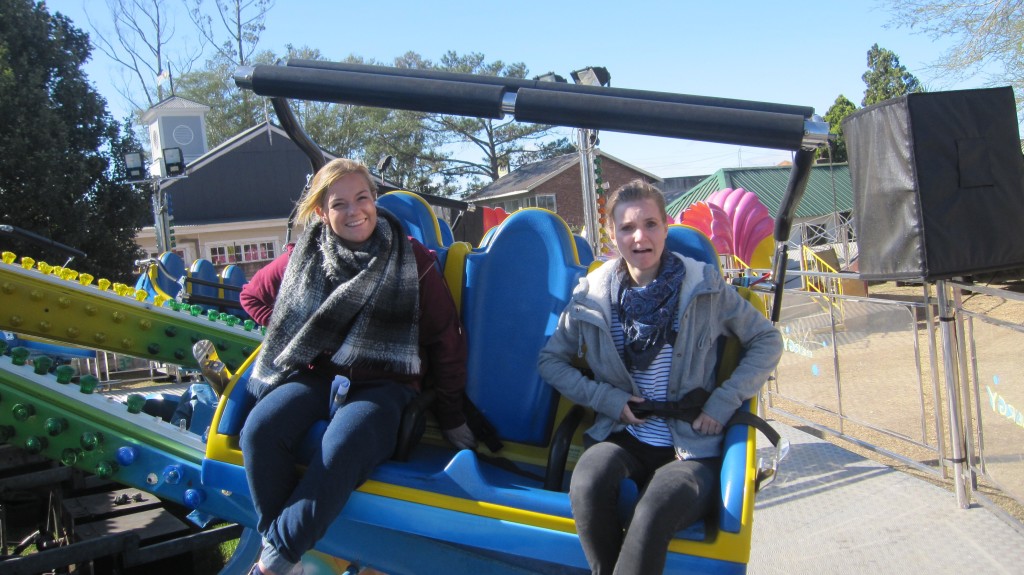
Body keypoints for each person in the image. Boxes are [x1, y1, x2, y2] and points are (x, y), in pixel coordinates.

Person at [238, 158, 475, 575]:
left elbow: (446, 338)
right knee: (259, 430)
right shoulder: (303, 257)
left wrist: (452, 414)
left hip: (385, 383)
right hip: (318, 377)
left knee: (340, 450)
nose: (354, 212)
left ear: (375, 199)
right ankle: (291, 552)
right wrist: (299, 331)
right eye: (339, 204)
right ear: (321, 213)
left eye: (362, 198)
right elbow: (252, 296)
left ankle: (272, 564)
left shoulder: (411, 258)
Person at [537, 179, 782, 575]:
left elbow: (767, 340)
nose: (640, 237)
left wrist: (723, 401)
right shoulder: (591, 297)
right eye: (627, 228)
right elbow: (551, 361)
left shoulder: (704, 286)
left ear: (665, 228)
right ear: (612, 235)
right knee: (587, 483)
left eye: (650, 224)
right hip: (625, 436)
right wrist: (607, 400)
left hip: (689, 445)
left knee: (651, 511)